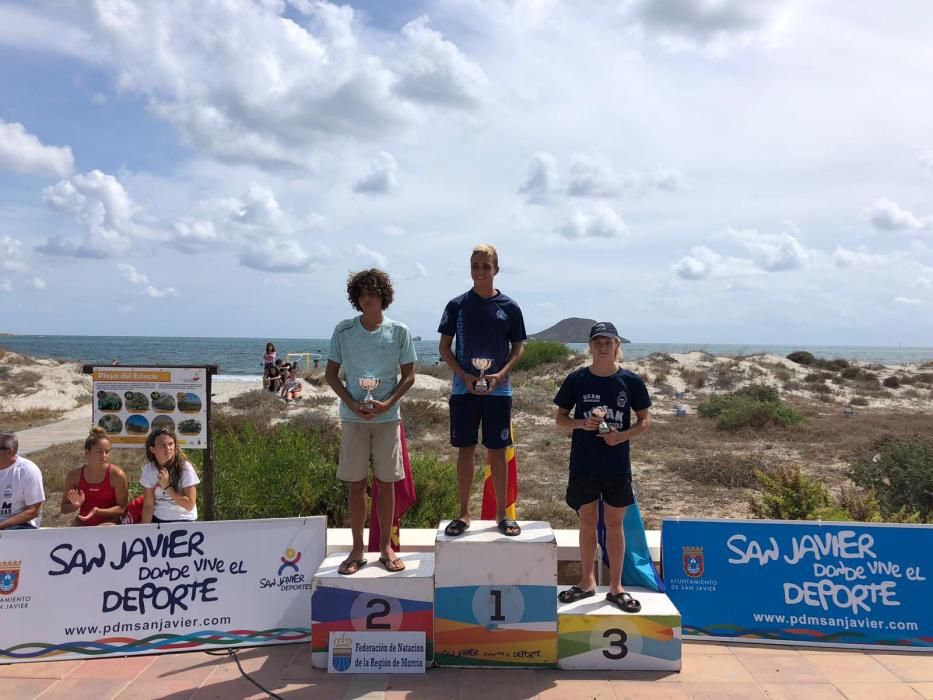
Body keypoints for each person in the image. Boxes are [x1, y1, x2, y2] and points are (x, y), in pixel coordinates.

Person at [553, 321, 651, 613]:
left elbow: (645, 421)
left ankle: (616, 587)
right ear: (591, 345)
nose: (603, 346)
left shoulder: (631, 381)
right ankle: (586, 582)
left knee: (614, 525)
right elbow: (560, 418)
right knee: (586, 522)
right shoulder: (577, 379)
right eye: (598, 342)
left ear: (617, 345)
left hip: (616, 465)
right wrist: (582, 423)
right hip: (584, 462)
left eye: (609, 342)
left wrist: (621, 436)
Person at [325, 268, 416, 574]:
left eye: (373, 294)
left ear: (383, 297)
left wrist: (387, 403)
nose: (367, 299)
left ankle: (387, 548)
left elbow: (409, 376)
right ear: (356, 298)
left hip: (387, 418)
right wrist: (352, 403)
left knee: (386, 483)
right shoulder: (343, 331)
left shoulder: (399, 331)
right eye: (362, 294)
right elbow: (330, 374)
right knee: (355, 484)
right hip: (353, 419)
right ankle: (357, 549)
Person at [438, 244, 526, 537]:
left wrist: (501, 374)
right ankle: (464, 513)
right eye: (475, 266)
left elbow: (518, 349)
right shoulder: (456, 306)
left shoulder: (510, 308)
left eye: (486, 266)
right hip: (464, 390)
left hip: (498, 392)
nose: (480, 271)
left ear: (496, 270)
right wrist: (463, 375)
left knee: (498, 451)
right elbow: (444, 348)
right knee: (465, 450)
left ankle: (502, 514)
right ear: (470, 269)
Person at [60, 427, 129, 526]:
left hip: (110, 523)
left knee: (102, 532)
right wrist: (75, 506)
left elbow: (123, 509)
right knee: (71, 535)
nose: (104, 455)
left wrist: (98, 511)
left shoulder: (117, 475)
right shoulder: (73, 476)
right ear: (87, 453)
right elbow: (64, 508)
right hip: (83, 521)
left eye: (107, 451)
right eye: (99, 451)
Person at [140, 428, 199, 523]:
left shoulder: (185, 468)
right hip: (159, 520)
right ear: (152, 449)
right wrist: (145, 529)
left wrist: (167, 487)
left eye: (170, 444)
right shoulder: (148, 470)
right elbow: (148, 505)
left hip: (184, 519)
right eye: (163, 445)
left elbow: (189, 505)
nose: (168, 448)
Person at [0, 432, 45, 530]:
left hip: (20, 525)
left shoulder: (28, 470)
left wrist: (2, 525)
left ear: (9, 452)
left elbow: (33, 510)